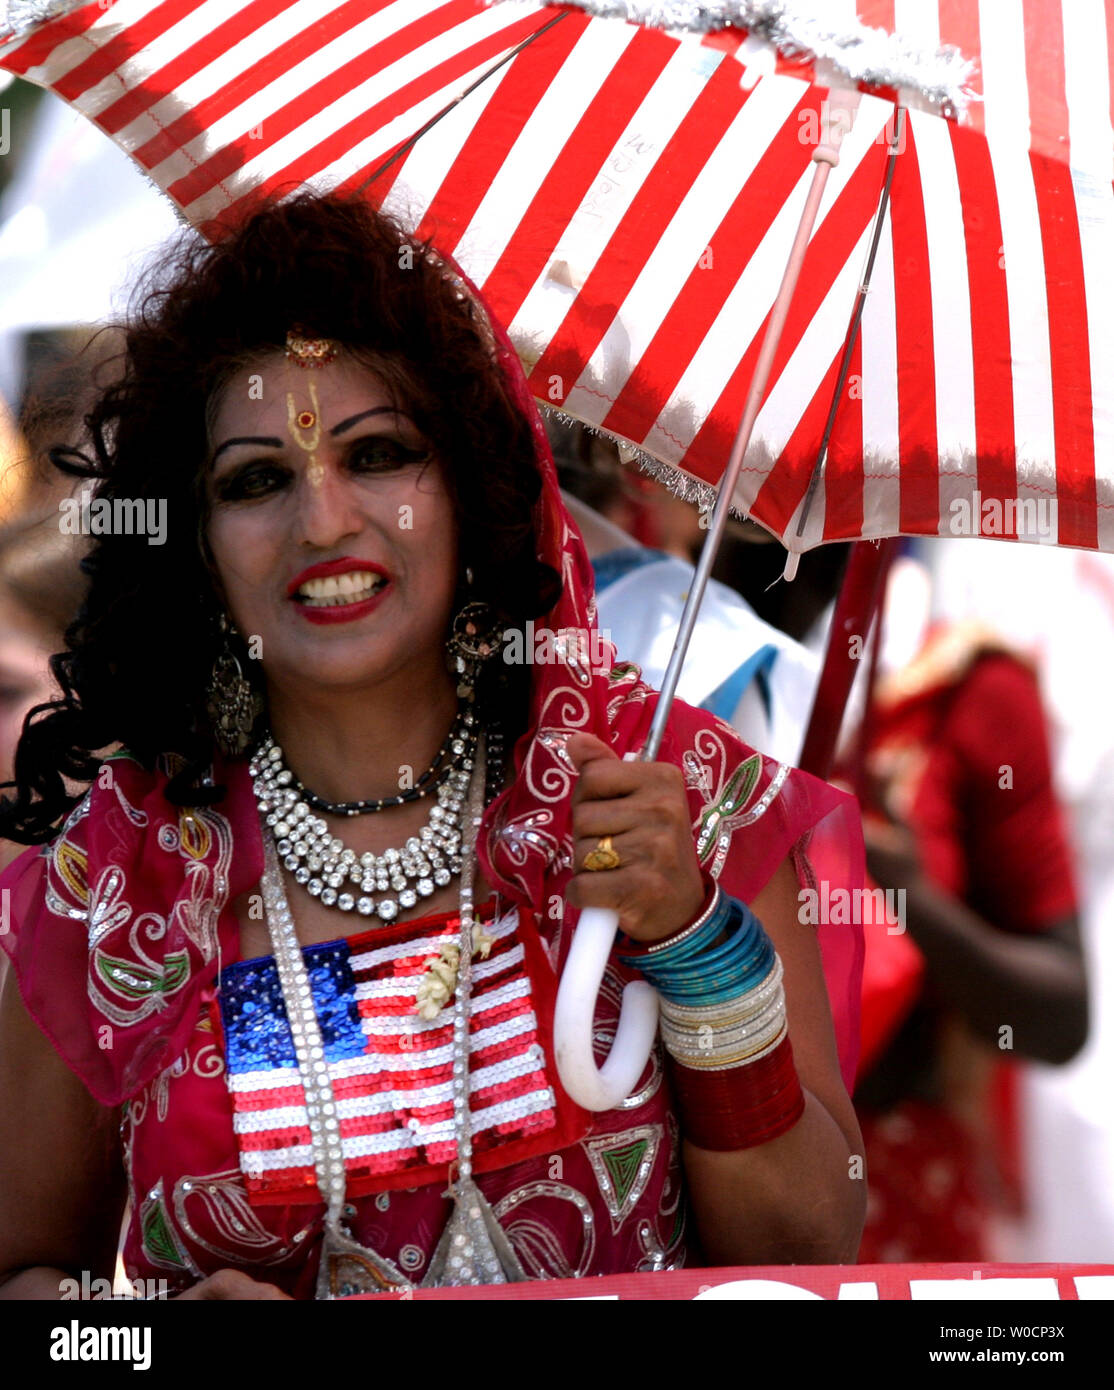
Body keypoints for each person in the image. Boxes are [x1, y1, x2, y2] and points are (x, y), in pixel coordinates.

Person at [0, 192, 865, 1300]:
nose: (322, 522)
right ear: (198, 548)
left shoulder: (661, 800)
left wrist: (695, 938)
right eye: (257, 479)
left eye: (378, 455)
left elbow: (806, 1262)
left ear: (472, 492)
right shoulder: (117, 882)